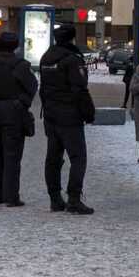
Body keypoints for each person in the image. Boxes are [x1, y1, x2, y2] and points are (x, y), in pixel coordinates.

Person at [39, 24, 95, 215]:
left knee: (53, 158)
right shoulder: (72, 59)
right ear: (72, 38)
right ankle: (74, 198)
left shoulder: (46, 58)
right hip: (70, 116)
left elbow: (43, 88)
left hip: (51, 115)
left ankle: (55, 199)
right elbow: (80, 89)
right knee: (78, 157)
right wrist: (89, 113)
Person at [0, 32, 38, 208]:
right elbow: (32, 86)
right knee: (12, 155)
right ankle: (11, 196)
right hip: (11, 112)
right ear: (16, 46)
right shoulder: (19, 65)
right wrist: (22, 103)